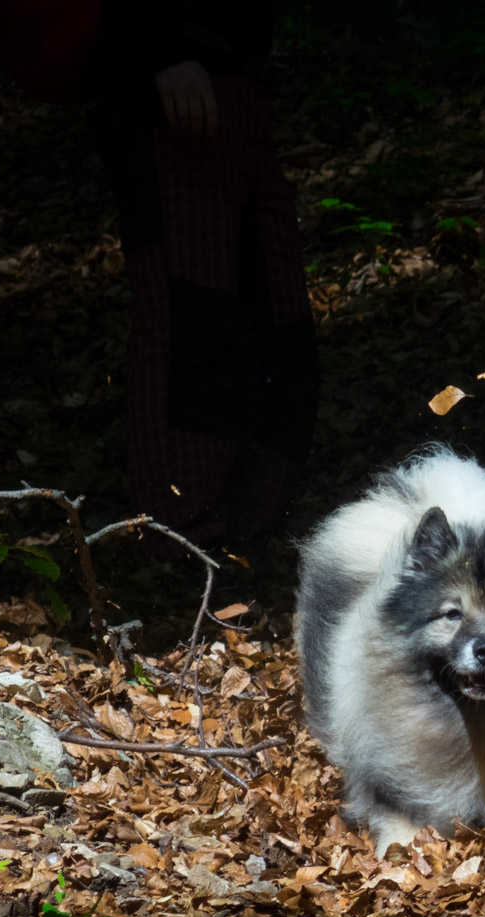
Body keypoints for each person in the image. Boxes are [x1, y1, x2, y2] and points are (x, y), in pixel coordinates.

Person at [88, 1, 317, 557]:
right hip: (169, 81)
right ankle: (180, 533)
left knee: (276, 317)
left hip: (237, 83)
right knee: (191, 309)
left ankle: (247, 525)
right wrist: (164, 49)